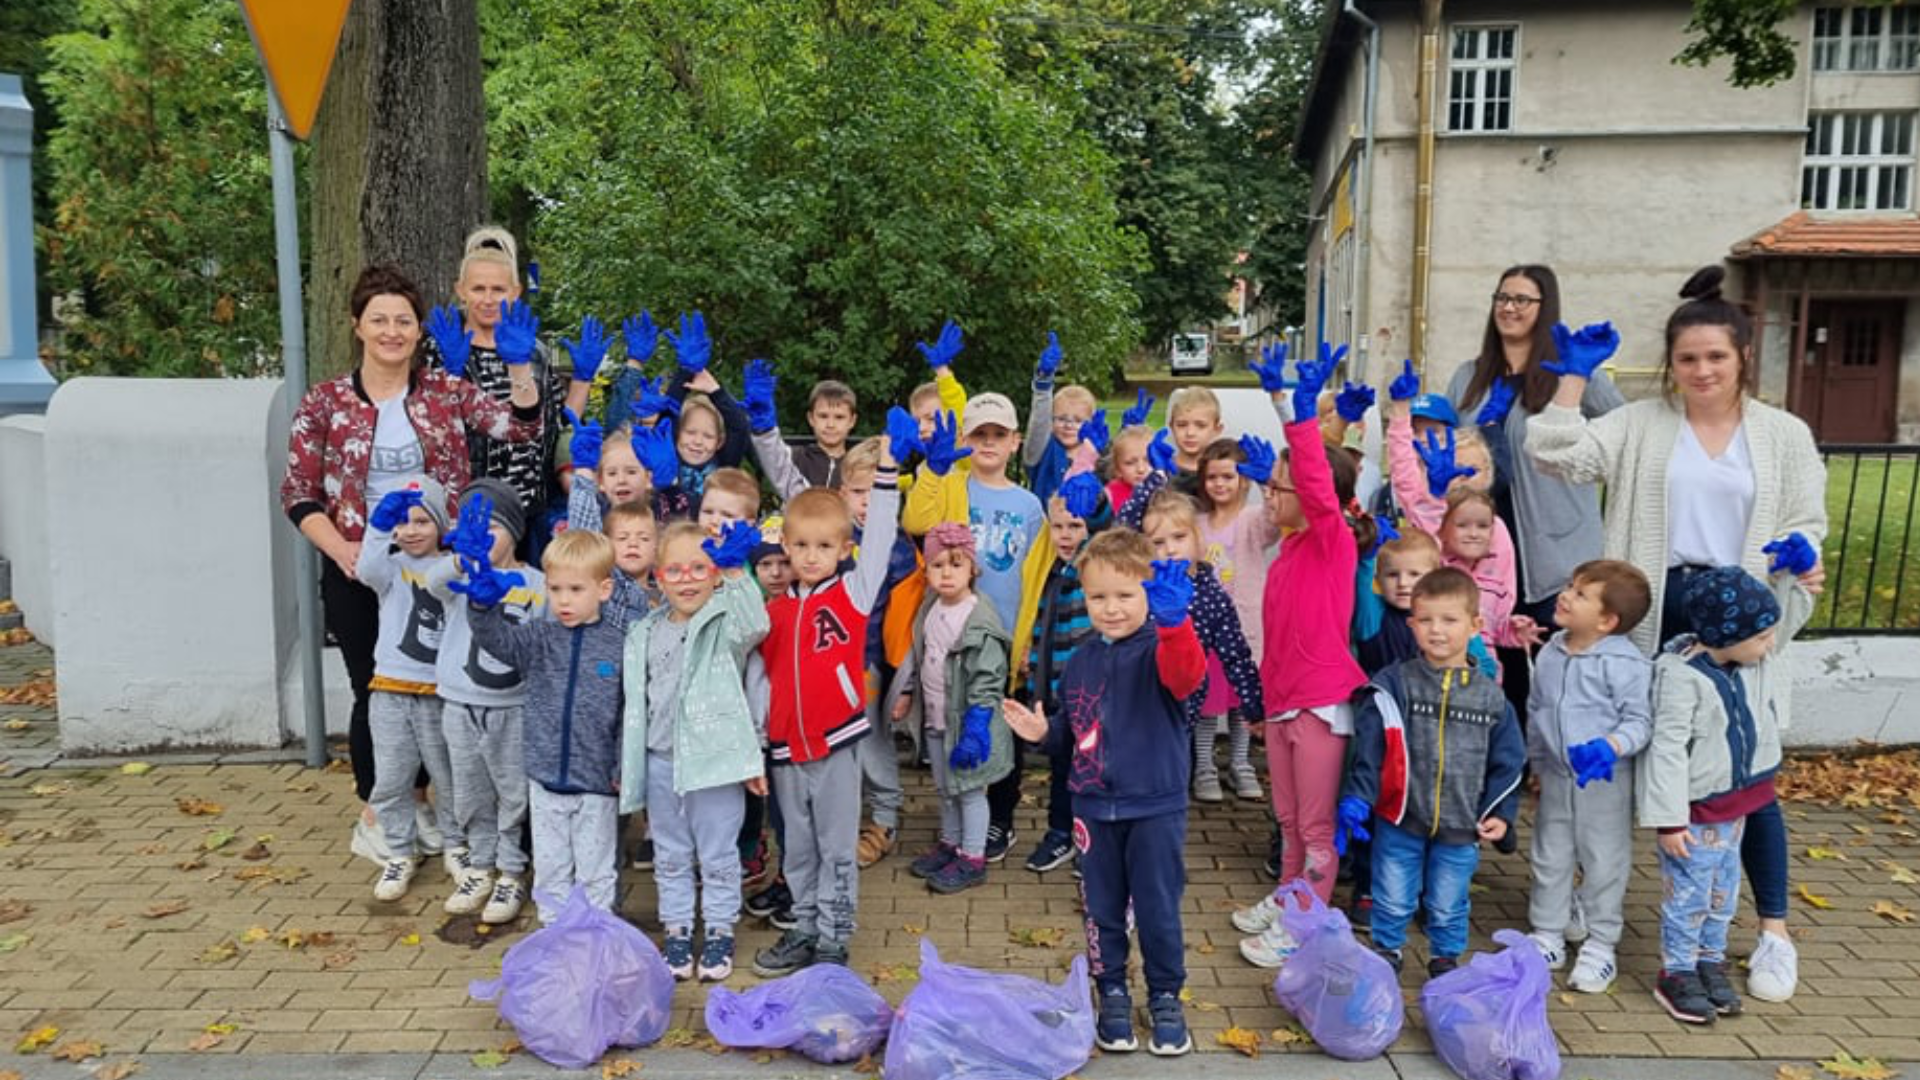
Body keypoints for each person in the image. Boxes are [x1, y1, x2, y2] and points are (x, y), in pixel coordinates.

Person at [1525, 265, 1828, 1002]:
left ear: (1743, 358)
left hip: (1743, 614)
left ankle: (1772, 932)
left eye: (1715, 357)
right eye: (1688, 358)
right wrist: (1570, 380)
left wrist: (1801, 554)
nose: (1701, 370)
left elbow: (1808, 524)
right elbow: (1553, 453)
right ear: (1672, 362)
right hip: (1660, 606)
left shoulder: (1784, 434)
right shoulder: (1640, 423)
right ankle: (1618, 926)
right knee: (1648, 762)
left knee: (1747, 777)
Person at [282, 263, 542, 861]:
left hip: (436, 569)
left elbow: (519, 430)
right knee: (374, 690)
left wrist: (521, 369)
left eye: (403, 320)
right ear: (357, 325)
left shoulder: (446, 394)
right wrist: (342, 547)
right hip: (359, 567)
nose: (392, 331)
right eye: (380, 320)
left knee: (437, 687)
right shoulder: (325, 403)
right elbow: (297, 490)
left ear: (420, 329)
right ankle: (379, 812)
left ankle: (435, 808)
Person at [1002, 534, 1207, 1057]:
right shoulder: (1083, 659)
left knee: (1159, 907)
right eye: (1098, 598)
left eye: (1124, 595)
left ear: (1147, 595)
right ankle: (1110, 989)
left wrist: (1176, 626)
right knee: (1101, 908)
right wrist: (1040, 736)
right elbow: (1071, 732)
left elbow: (1187, 679)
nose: (1110, 608)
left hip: (1156, 804)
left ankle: (1165, 995)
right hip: (1092, 805)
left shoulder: (1164, 647)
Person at [749, 409, 910, 976]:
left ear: (844, 548)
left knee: (838, 848)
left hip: (837, 744)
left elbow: (883, 535)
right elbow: (758, 681)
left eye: (823, 546)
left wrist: (887, 474)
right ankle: (805, 929)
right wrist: (756, 747)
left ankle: (834, 938)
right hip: (786, 751)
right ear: (786, 548)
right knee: (798, 849)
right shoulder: (772, 611)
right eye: (800, 546)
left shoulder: (853, 594)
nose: (811, 556)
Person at [1228, 345, 1372, 968]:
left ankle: (1307, 921)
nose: (1271, 494)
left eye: (1277, 487)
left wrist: (1294, 411)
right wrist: (1261, 705)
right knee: (1287, 822)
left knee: (1315, 829)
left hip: (1321, 707)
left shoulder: (1330, 541)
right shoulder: (1287, 554)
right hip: (1285, 706)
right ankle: (1289, 899)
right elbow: (1276, 641)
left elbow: (1316, 482)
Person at [1337, 568, 1527, 978]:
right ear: (1412, 624)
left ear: (1475, 625)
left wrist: (1501, 813)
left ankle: (1445, 958)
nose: (1436, 631)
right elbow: (1371, 748)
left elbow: (1509, 762)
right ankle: (1387, 950)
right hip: (1400, 818)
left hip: (1461, 824)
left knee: (1448, 900)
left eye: (1449, 620)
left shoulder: (1491, 697)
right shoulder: (1394, 685)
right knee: (1391, 894)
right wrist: (1358, 797)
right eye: (1425, 620)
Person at [1641, 565, 1810, 1024]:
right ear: (1724, 635)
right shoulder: (1681, 677)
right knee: (1688, 896)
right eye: (1762, 638)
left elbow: (1790, 616)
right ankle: (1676, 971)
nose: (1771, 645)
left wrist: (1790, 580)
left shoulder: (1753, 659)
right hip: (1696, 814)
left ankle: (1708, 960)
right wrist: (1669, 818)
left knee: (1723, 893)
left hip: (1741, 804)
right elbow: (1668, 749)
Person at [621, 520, 770, 983]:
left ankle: (721, 928)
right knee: (669, 852)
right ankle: (678, 928)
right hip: (661, 760)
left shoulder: (723, 623)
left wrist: (735, 574)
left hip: (713, 765)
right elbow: (635, 704)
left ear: (713, 573)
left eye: (699, 568)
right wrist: (629, 764)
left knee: (719, 852)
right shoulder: (644, 631)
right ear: (658, 577)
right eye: (675, 570)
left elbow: (756, 623)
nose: (687, 579)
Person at [905, 394, 1047, 864]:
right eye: (979, 434)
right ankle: (958, 828)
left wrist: (1027, 639)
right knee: (953, 723)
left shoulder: (1028, 505)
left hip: (1005, 637)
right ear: (965, 439)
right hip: (954, 635)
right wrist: (934, 471)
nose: (988, 442)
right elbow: (917, 520)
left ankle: (998, 822)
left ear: (1014, 442)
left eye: (998, 435)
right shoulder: (954, 486)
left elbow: (1037, 573)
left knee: (1001, 732)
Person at [1447, 265, 1625, 640]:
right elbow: (1445, 450)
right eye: (1502, 298)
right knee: (1494, 662)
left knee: (1555, 661)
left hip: (1555, 553)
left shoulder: (1570, 372)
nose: (1509, 308)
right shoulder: (1469, 376)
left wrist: (1583, 374)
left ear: (1545, 307)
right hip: (1483, 550)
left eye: (1522, 299)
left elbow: (1622, 431)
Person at [464, 529, 626, 923]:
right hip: (544, 778)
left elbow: (629, 712)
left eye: (575, 589)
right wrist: (483, 608)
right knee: (552, 871)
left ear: (603, 589)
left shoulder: (622, 643)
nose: (564, 600)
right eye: (555, 589)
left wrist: (622, 765)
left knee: (596, 873)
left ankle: (596, 940)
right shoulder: (539, 635)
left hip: (598, 783)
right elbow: (498, 641)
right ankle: (553, 940)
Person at [1525, 559, 1654, 994]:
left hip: (1604, 781)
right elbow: (1537, 709)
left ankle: (1601, 943)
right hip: (1559, 777)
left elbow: (1640, 721)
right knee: (1550, 854)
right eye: (1569, 585)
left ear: (1606, 620)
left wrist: (1612, 746)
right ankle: (1548, 933)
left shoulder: (1625, 664)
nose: (1565, 595)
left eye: (1580, 593)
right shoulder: (1551, 651)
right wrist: (1538, 762)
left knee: (1603, 860)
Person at [430, 480, 542, 925]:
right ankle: (480, 865)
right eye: (474, 530)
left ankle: (512, 870)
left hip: (512, 707)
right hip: (459, 703)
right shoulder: (458, 577)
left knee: (513, 792)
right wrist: (459, 558)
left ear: (515, 532)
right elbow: (431, 580)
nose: (484, 539)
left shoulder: (534, 583)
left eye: (493, 529)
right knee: (469, 790)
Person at [885, 523, 1015, 894]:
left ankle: (972, 857)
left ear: (972, 569)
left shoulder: (979, 620)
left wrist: (977, 726)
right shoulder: (930, 606)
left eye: (955, 566)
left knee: (970, 790)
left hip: (968, 725)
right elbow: (919, 654)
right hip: (937, 718)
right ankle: (951, 842)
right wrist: (907, 692)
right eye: (937, 565)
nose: (945, 573)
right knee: (944, 788)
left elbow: (989, 677)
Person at [423, 227, 575, 536]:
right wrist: (450, 375)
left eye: (498, 289)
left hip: (531, 509)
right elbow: (429, 428)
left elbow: (556, 424)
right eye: (479, 289)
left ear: (515, 292)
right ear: (462, 290)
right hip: (467, 507)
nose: (488, 299)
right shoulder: (442, 347)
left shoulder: (535, 352)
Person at [355, 480, 462, 902]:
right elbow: (366, 569)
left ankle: (457, 844)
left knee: (449, 775)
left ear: (440, 524)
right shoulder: (390, 566)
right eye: (402, 522)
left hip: (441, 691)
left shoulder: (448, 565)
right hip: (391, 690)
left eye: (422, 521)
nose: (411, 530)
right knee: (392, 775)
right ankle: (399, 850)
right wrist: (378, 531)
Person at [1138, 489, 1265, 803]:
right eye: (1158, 542)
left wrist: (1254, 706)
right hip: (1138, 700)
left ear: (1197, 538)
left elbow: (1235, 653)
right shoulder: (1140, 586)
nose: (1170, 549)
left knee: (1172, 783)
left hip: (1185, 707)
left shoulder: (1212, 594)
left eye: (1179, 537)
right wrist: (1147, 484)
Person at [1020, 474, 1111, 874]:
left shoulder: (1093, 562)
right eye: (1058, 525)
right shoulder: (1048, 567)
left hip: (1094, 693)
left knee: (1092, 767)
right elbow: (1038, 619)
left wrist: (1097, 508)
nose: (1066, 534)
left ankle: (1092, 840)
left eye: (1075, 525)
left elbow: (1110, 526)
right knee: (1061, 769)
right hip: (1055, 688)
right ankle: (1060, 833)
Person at [1021, 331, 1102, 507]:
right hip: (1046, 530)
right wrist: (1043, 384)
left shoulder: (1097, 454)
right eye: (1061, 418)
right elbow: (1039, 424)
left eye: (1078, 420)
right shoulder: (1043, 451)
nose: (1068, 425)